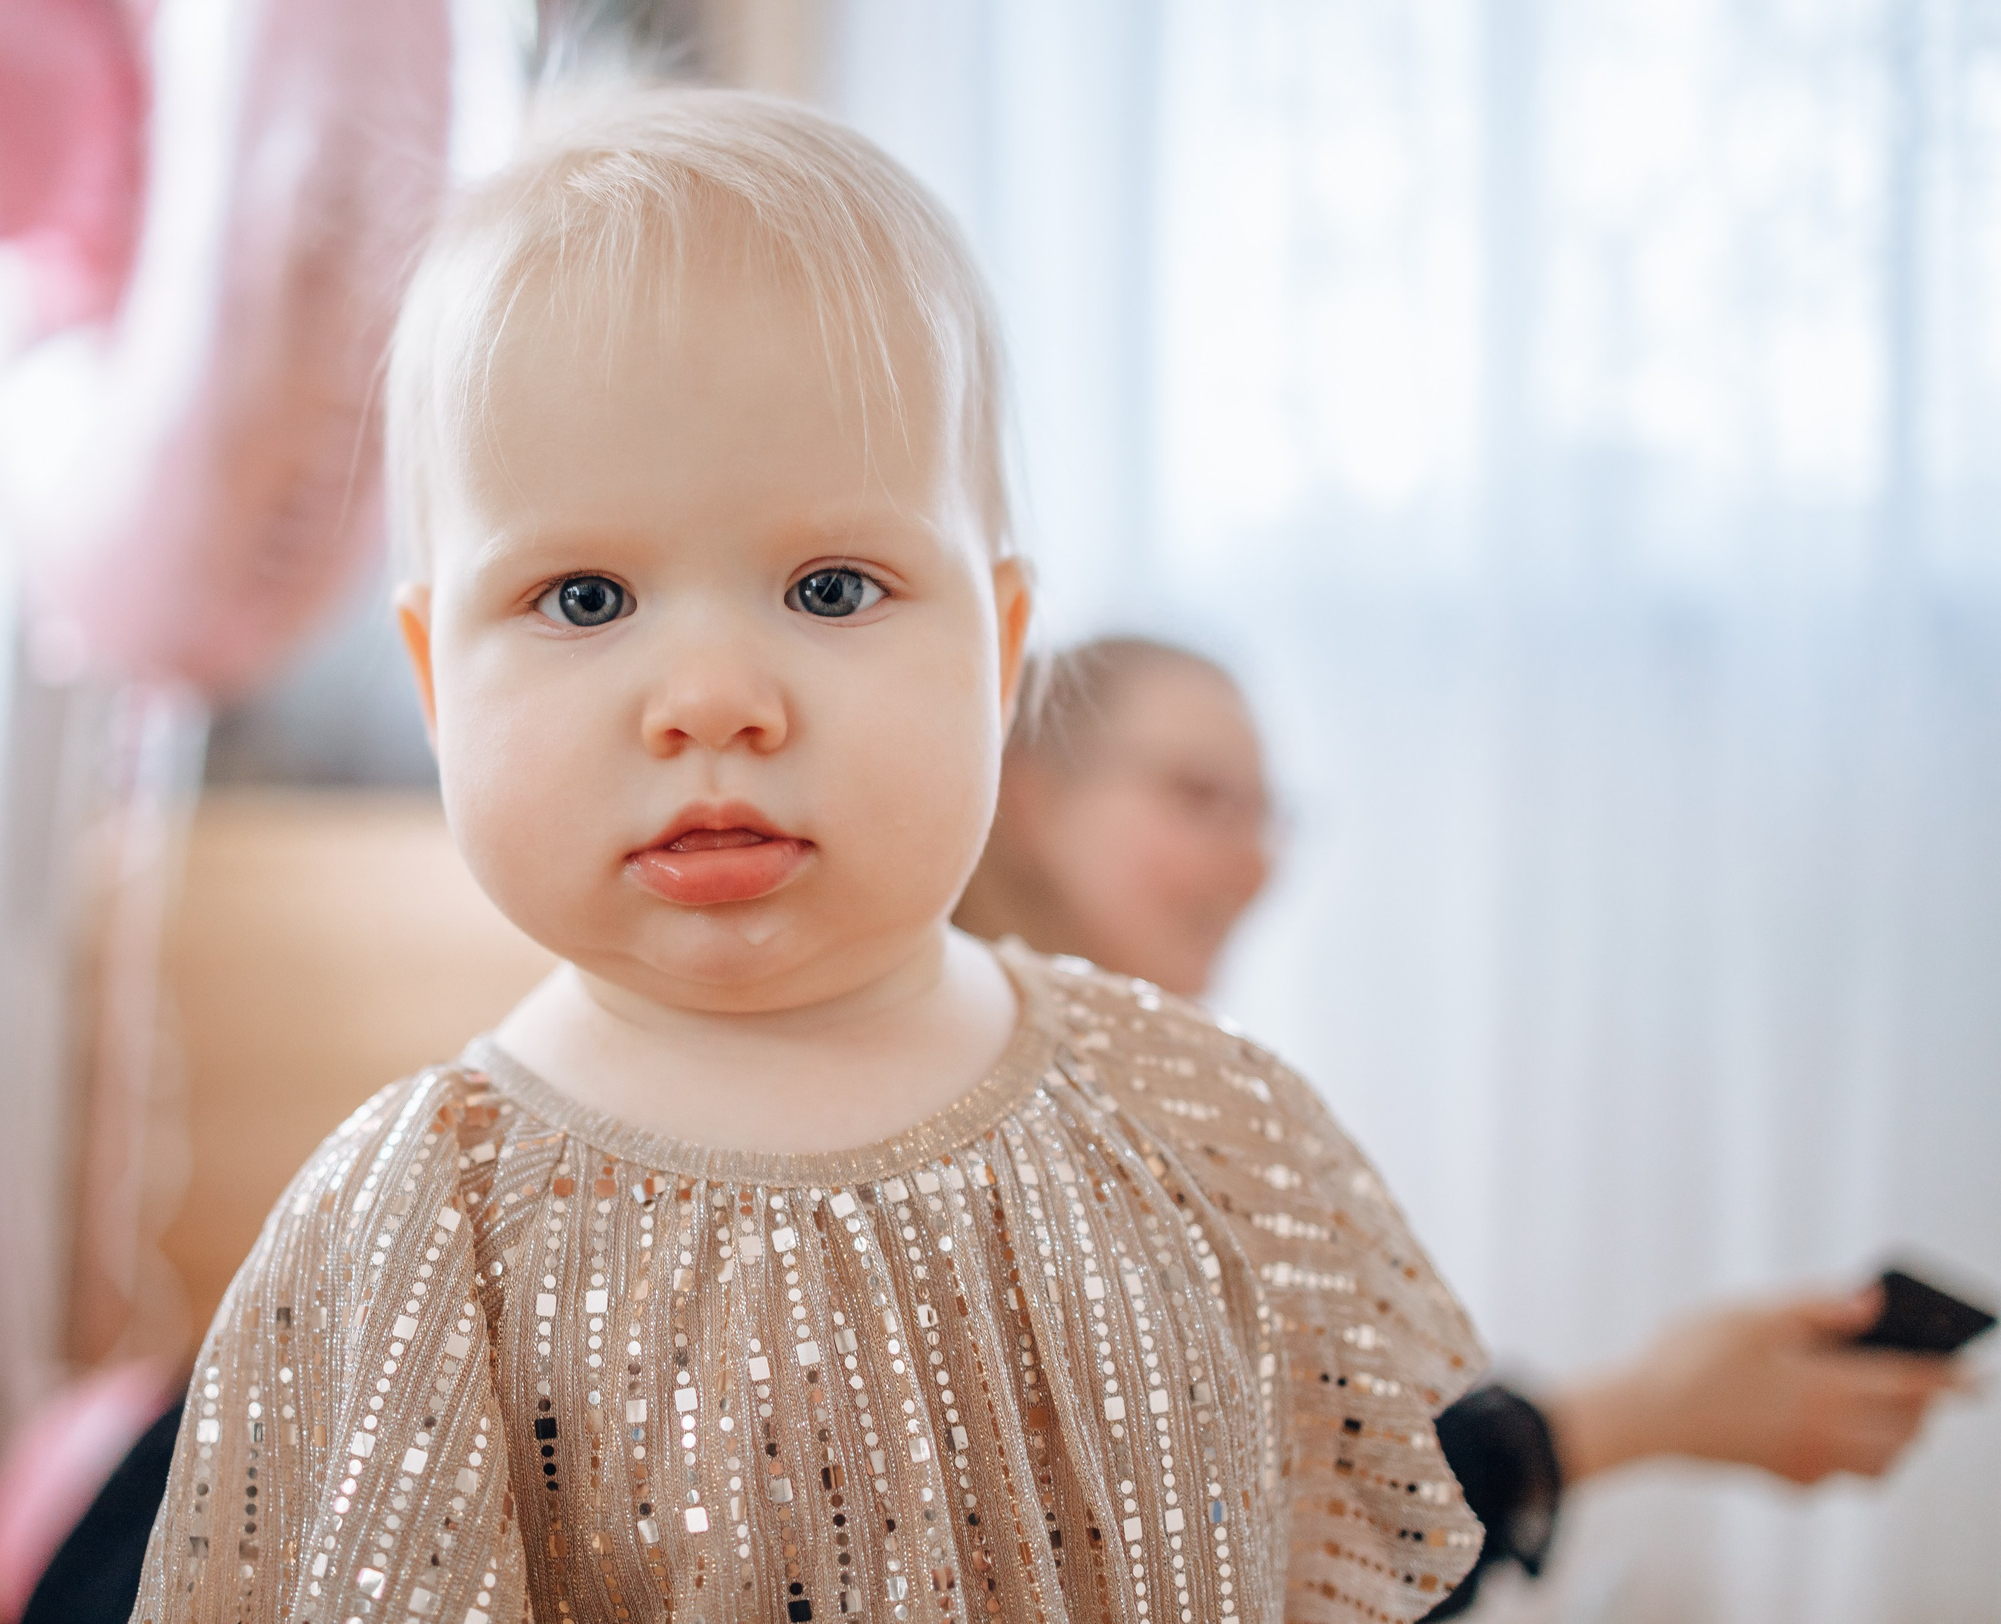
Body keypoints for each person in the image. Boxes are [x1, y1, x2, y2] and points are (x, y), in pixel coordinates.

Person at [124, 89, 1493, 1624]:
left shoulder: (1203, 1123)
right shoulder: (418, 1230)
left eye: (832, 586)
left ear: (1002, 654)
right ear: (440, 683)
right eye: (584, 599)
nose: (713, 695)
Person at [954, 636, 1972, 1614]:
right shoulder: (973, 1128)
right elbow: (1267, 1561)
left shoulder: (1150, 1101)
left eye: (1269, 815)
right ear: (1029, 793)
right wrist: (1656, 1408)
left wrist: (1664, 1404)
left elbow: (1309, 1500)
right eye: (1199, 798)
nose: (1255, 862)